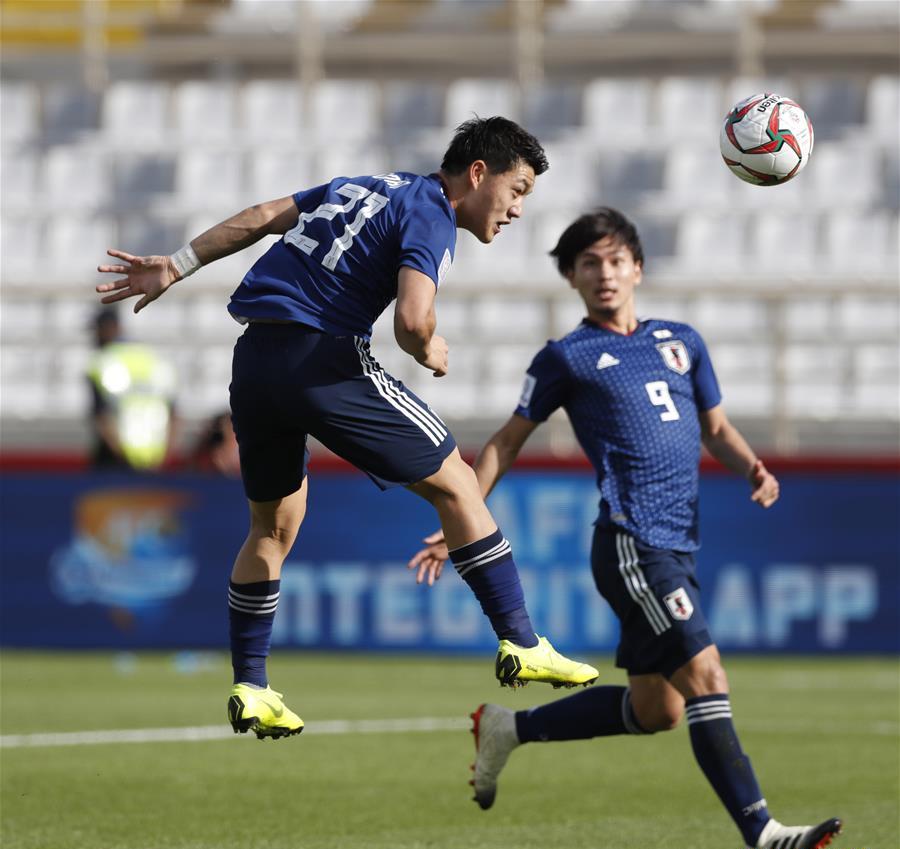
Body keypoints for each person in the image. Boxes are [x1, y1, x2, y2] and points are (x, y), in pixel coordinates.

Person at [96, 117, 599, 742]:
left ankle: (251, 685)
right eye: (517, 189)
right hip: (324, 359)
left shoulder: (359, 185)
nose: (518, 208)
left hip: (255, 361)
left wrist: (176, 264)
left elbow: (260, 215)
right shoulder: (433, 212)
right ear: (477, 174)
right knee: (459, 483)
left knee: (273, 526)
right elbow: (412, 322)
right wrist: (430, 350)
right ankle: (522, 643)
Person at [408, 209, 841, 849]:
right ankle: (761, 832)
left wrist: (752, 465)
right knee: (706, 674)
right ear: (572, 278)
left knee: (657, 709)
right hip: (632, 541)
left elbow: (715, 427)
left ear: (637, 267)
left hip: (678, 543)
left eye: (615, 261)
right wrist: (459, 513)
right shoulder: (565, 356)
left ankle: (508, 727)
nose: (604, 274)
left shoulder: (683, 341)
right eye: (589, 264)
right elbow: (506, 441)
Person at [86, 306, 178, 470]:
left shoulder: (101, 362)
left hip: (115, 459)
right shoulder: (154, 359)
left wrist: (121, 455)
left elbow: (101, 416)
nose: (94, 337)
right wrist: (166, 455)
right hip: (156, 459)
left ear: (107, 329)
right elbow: (174, 414)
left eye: (97, 330)